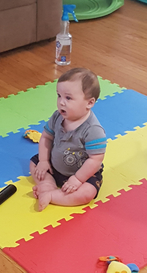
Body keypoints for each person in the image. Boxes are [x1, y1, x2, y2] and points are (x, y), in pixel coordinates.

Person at [30, 68, 107, 211]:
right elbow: (46, 137)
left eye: (68, 98)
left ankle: (52, 196)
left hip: (81, 174)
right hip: (55, 166)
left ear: (89, 103)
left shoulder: (93, 130)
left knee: (87, 193)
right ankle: (48, 186)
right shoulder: (57, 116)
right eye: (59, 96)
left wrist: (77, 179)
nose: (61, 102)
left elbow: (95, 159)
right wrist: (44, 161)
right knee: (34, 163)